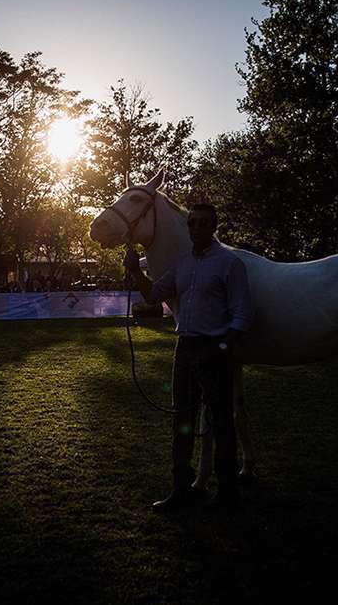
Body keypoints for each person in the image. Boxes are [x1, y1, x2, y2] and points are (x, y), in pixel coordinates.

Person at [124, 203, 253, 512]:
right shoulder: (182, 264)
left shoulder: (230, 264)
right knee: (181, 418)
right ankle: (181, 490)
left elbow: (242, 314)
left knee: (221, 422)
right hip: (185, 347)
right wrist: (134, 270)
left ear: (213, 227)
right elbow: (154, 295)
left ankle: (227, 493)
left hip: (214, 348)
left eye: (202, 223)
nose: (195, 228)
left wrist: (223, 348)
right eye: (192, 223)